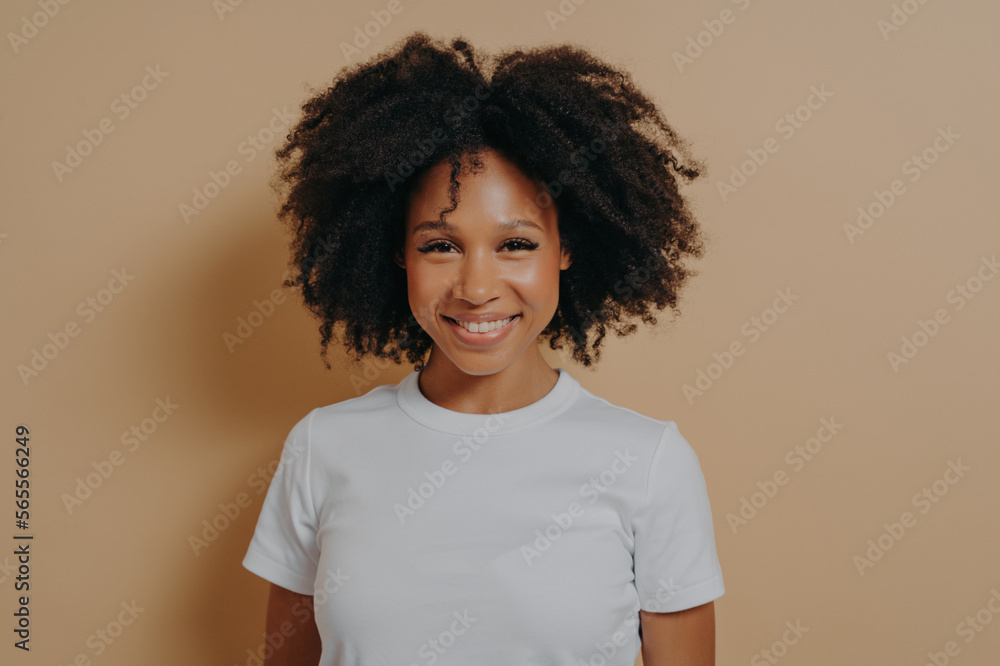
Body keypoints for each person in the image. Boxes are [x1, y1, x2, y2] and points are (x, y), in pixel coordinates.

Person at [242, 31, 724, 665]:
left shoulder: (649, 463)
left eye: (516, 245)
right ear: (397, 254)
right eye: (440, 245)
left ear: (566, 248)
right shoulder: (322, 448)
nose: (475, 287)